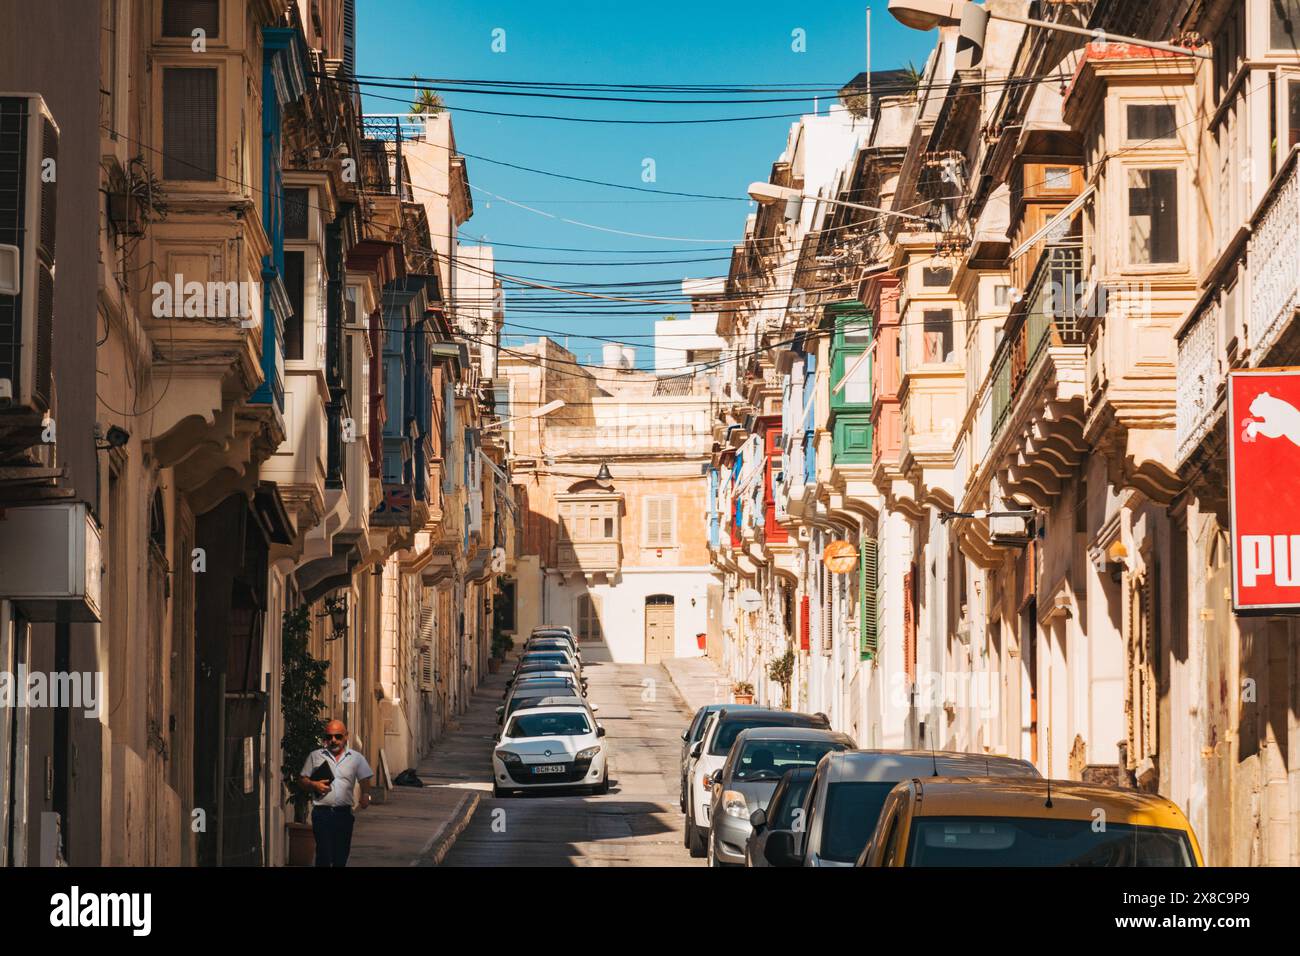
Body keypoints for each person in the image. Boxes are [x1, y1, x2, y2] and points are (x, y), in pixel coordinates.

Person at [298, 719, 374, 867]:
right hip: (322, 814)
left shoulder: (356, 758)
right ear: (325, 738)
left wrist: (365, 795)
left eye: (338, 736)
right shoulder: (315, 756)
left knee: (341, 856)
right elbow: (302, 780)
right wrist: (314, 784)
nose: (333, 740)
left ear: (346, 736)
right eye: (329, 737)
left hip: (343, 815)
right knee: (324, 855)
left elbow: (365, 778)